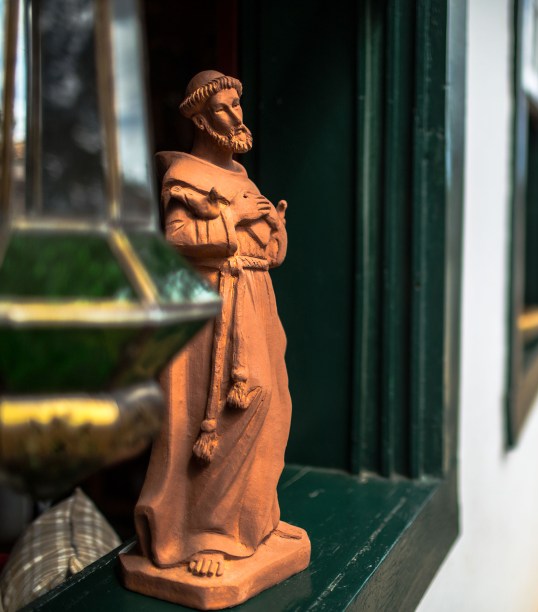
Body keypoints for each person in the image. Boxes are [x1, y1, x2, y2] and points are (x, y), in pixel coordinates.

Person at [132, 71, 306, 581]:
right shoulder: (184, 176)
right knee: (229, 411)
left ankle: (252, 523)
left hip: (255, 299)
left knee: (272, 402)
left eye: (236, 106)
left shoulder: (244, 178)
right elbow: (177, 239)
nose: (237, 116)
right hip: (214, 305)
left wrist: (274, 225)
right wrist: (232, 220)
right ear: (202, 120)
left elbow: (269, 255)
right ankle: (207, 534)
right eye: (226, 109)